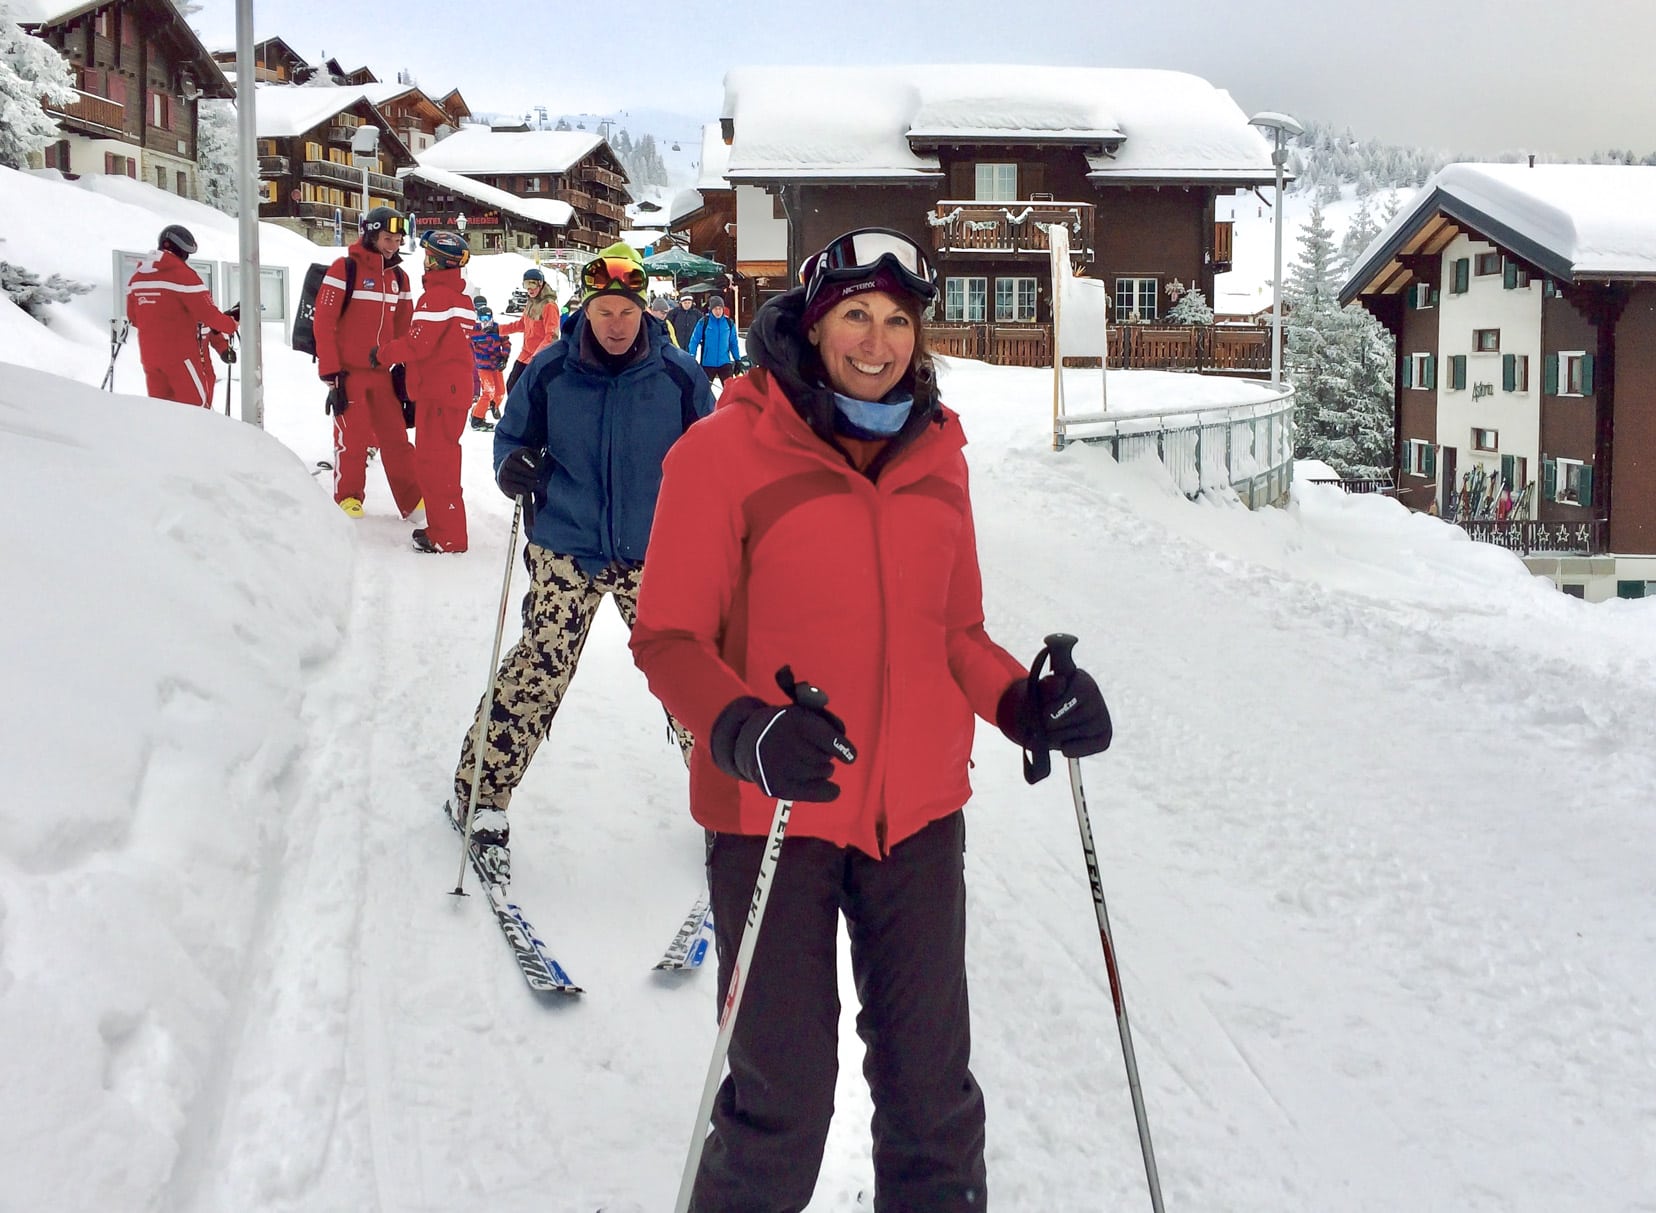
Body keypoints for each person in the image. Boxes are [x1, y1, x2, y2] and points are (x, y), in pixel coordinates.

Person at [629, 227, 1114, 1211]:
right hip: (774, 813)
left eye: (898, 319)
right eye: (856, 313)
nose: (878, 339)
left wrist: (1026, 701)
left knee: (934, 1104)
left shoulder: (939, 455)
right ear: (813, 325)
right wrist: (745, 730)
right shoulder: (722, 453)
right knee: (781, 1109)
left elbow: (957, 631)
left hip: (920, 819)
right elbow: (670, 638)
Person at [448, 241, 714, 883]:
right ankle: (481, 793)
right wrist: (513, 467)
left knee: (693, 680)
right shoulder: (548, 370)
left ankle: (724, 804)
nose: (616, 323)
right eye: (604, 311)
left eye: (626, 309)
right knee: (539, 665)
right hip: (566, 545)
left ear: (643, 308)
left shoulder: (679, 376)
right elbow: (511, 438)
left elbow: (712, 455)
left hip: (655, 550)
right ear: (586, 310)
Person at [367, 230, 477, 554]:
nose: (425, 261)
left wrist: (383, 353)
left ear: (436, 261)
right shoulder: (462, 299)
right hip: (451, 392)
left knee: (435, 464)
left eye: (428, 255)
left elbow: (418, 344)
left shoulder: (436, 297)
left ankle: (448, 536)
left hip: (439, 394)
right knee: (442, 461)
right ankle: (445, 528)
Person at [313, 206, 423, 520]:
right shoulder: (344, 269)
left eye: (398, 239)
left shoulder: (399, 277)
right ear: (371, 235)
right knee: (353, 438)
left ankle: (413, 500)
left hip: (382, 374)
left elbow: (405, 328)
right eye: (387, 238)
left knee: (396, 438)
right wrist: (330, 369)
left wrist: (405, 367)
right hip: (349, 373)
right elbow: (324, 321)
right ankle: (348, 498)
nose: (393, 245)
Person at [124, 224, 238, 407]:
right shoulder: (183, 275)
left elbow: (133, 318)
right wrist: (231, 324)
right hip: (182, 357)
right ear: (182, 251)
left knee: (162, 411)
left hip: (150, 357)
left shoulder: (137, 278)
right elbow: (209, 315)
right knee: (195, 410)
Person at [497, 267, 557, 395]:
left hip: (537, 357)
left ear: (540, 284)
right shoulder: (531, 302)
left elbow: (551, 336)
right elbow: (521, 324)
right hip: (525, 355)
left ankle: (529, 414)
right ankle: (517, 414)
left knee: (527, 392)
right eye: (526, 284)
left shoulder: (549, 306)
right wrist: (497, 330)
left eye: (532, 284)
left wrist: (536, 357)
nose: (529, 289)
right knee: (512, 386)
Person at [468, 295, 511, 431]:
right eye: (482, 319)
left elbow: (506, 343)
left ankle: (491, 405)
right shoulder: (475, 331)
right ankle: (477, 419)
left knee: (500, 392)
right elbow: (467, 342)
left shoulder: (497, 329)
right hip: (483, 366)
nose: (486, 322)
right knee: (489, 391)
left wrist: (504, 358)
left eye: (488, 319)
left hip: (496, 365)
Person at [686, 293, 741, 385]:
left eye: (720, 309)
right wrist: (692, 356)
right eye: (715, 309)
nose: (718, 311)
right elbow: (694, 340)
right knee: (704, 391)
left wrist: (737, 359)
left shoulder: (729, 323)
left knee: (730, 391)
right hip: (707, 363)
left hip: (725, 362)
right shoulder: (704, 322)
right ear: (711, 310)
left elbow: (733, 343)